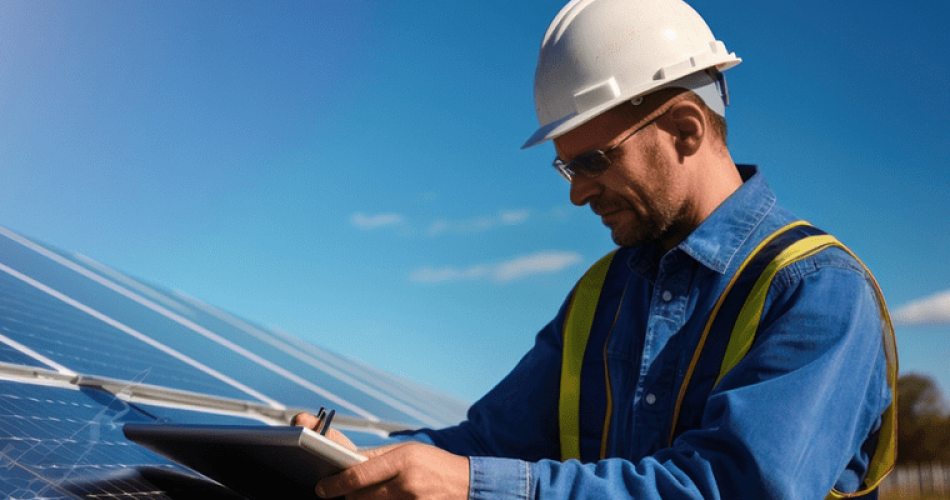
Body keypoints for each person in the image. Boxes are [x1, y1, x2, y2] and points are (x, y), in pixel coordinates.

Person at [294, 0, 898, 499]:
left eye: (593, 162)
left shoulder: (817, 289)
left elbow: (735, 487)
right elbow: (489, 441)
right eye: (567, 167)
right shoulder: (600, 294)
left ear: (686, 129)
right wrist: (358, 462)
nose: (579, 193)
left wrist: (479, 488)